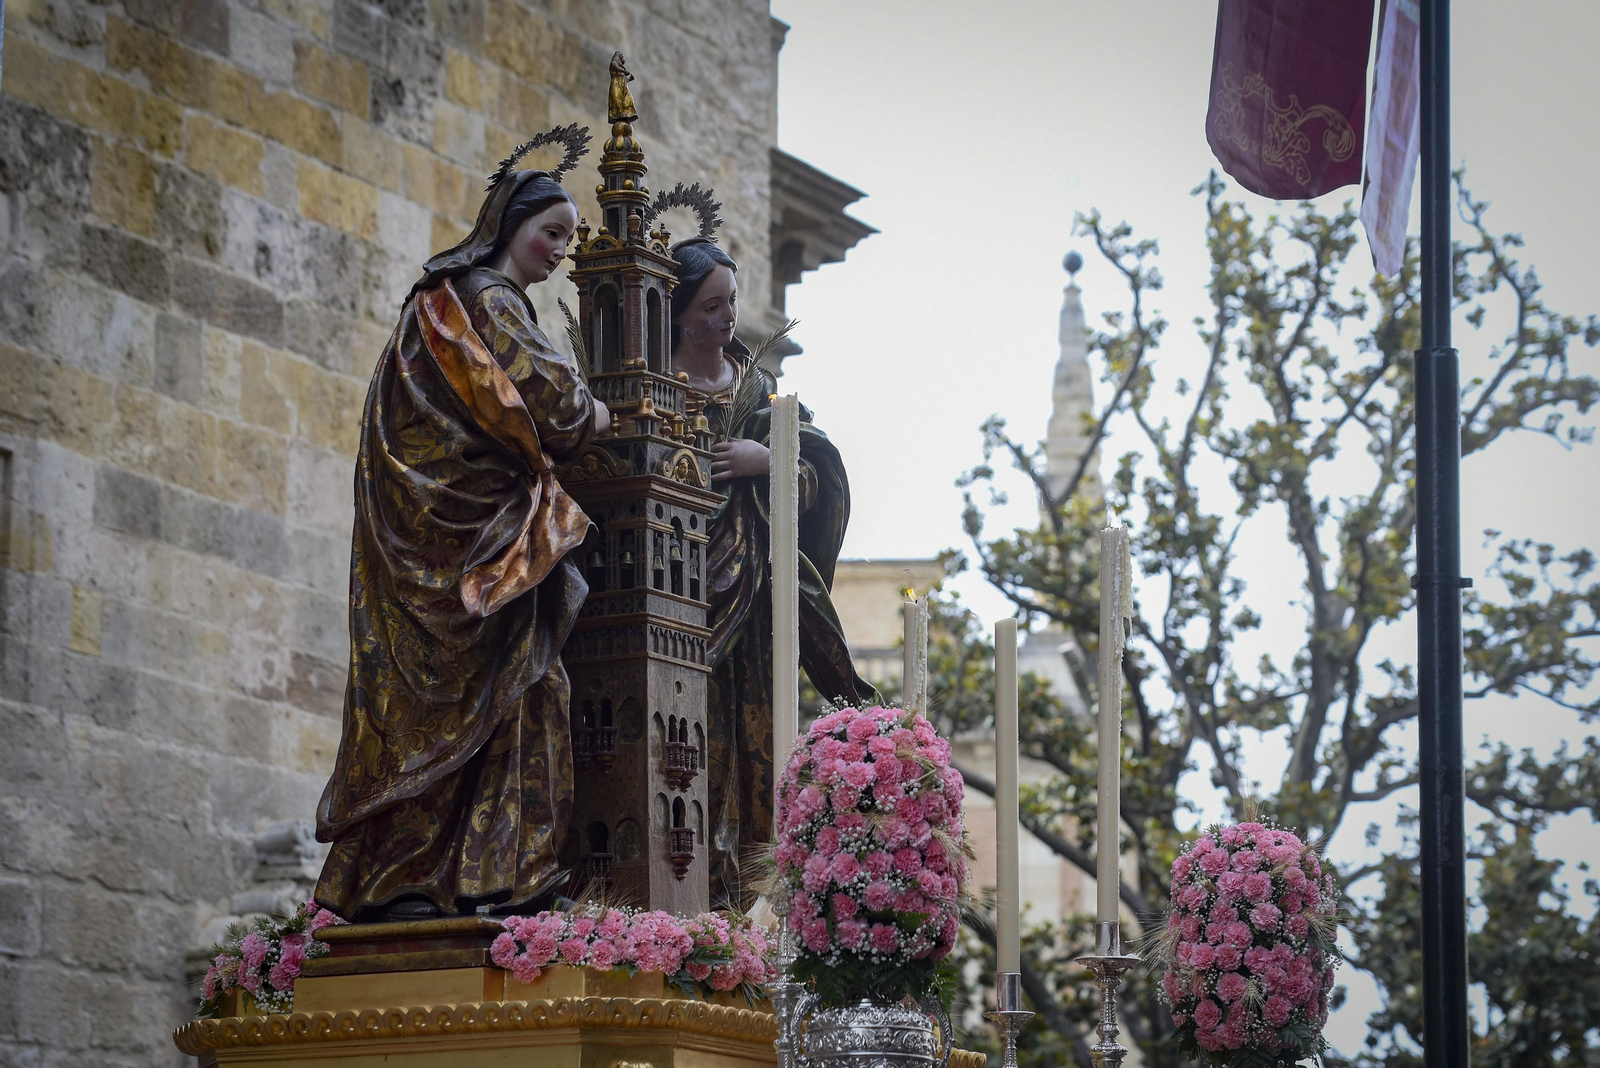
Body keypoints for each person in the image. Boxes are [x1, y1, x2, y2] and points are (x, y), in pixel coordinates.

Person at [313, 130, 608, 921]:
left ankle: (419, 879)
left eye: (567, 240)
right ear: (510, 225)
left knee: (445, 713)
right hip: (483, 542)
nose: (558, 252)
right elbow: (561, 409)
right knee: (527, 690)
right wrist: (602, 410)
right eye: (551, 233)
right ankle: (502, 875)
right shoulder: (490, 300)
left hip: (437, 537)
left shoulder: (436, 302)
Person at [669, 237, 875, 909]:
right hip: (678, 591)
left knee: (756, 741)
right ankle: (689, 893)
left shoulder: (758, 391)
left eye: (731, 302)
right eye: (710, 306)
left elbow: (818, 476)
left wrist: (772, 460)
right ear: (678, 313)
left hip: (753, 593)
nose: (726, 317)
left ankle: (745, 890)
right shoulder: (651, 385)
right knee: (691, 744)